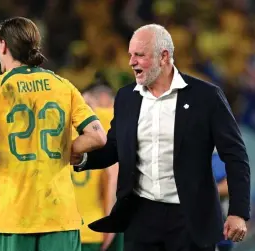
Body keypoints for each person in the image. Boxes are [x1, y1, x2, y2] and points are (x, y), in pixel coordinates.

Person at [71, 24, 251, 251]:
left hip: (189, 219)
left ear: (164, 56)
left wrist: (238, 212)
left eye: (139, 55)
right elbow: (115, 148)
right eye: (130, 55)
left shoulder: (206, 97)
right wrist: (82, 159)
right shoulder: (127, 97)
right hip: (141, 218)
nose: (131, 62)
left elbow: (235, 156)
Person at [0, 16, 107, 251]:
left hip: (14, 218)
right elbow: (98, 136)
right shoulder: (63, 85)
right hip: (60, 214)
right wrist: (63, 150)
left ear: (3, 45)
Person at [70, 84, 121, 251]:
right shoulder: (105, 119)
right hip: (101, 221)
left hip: (66, 226)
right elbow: (112, 176)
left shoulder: (63, 126)